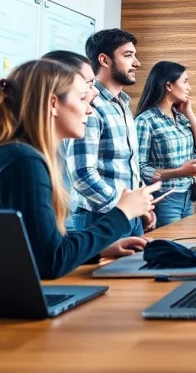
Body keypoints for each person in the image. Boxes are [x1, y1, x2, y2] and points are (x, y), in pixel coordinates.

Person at [0, 59, 159, 280]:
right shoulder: (23, 161)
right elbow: (50, 262)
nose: (89, 110)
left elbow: (38, 243)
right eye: (82, 99)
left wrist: (98, 250)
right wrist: (122, 212)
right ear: (53, 104)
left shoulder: (13, 153)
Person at [66, 29, 152, 236]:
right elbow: (82, 173)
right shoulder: (91, 106)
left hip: (126, 214)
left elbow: (126, 164)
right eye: (128, 55)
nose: (137, 63)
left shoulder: (122, 104)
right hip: (100, 216)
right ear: (104, 60)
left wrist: (141, 205)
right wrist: (123, 206)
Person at [134, 61, 196, 227]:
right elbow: (139, 168)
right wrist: (179, 172)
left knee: (184, 248)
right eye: (185, 81)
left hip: (187, 196)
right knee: (170, 249)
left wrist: (189, 112)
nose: (188, 87)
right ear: (168, 85)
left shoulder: (182, 117)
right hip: (164, 199)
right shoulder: (145, 121)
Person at [41, 50, 99, 231]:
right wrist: (123, 211)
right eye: (87, 87)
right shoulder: (27, 159)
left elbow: (51, 245)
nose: (95, 92)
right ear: (54, 103)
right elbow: (50, 253)